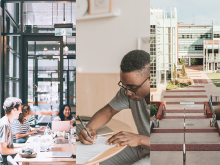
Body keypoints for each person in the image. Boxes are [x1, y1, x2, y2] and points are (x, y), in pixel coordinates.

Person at [78, 50, 150, 165]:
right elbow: (109, 111)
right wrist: (89, 128)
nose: (127, 92)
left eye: (132, 87)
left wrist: (139, 139)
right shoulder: (128, 92)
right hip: (143, 148)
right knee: (97, 161)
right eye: (124, 86)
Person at [0, 97, 25, 165]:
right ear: (14, 110)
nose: (21, 111)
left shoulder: (7, 121)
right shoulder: (4, 124)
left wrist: (24, 146)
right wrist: (23, 150)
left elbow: (9, 145)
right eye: (20, 109)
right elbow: (3, 151)